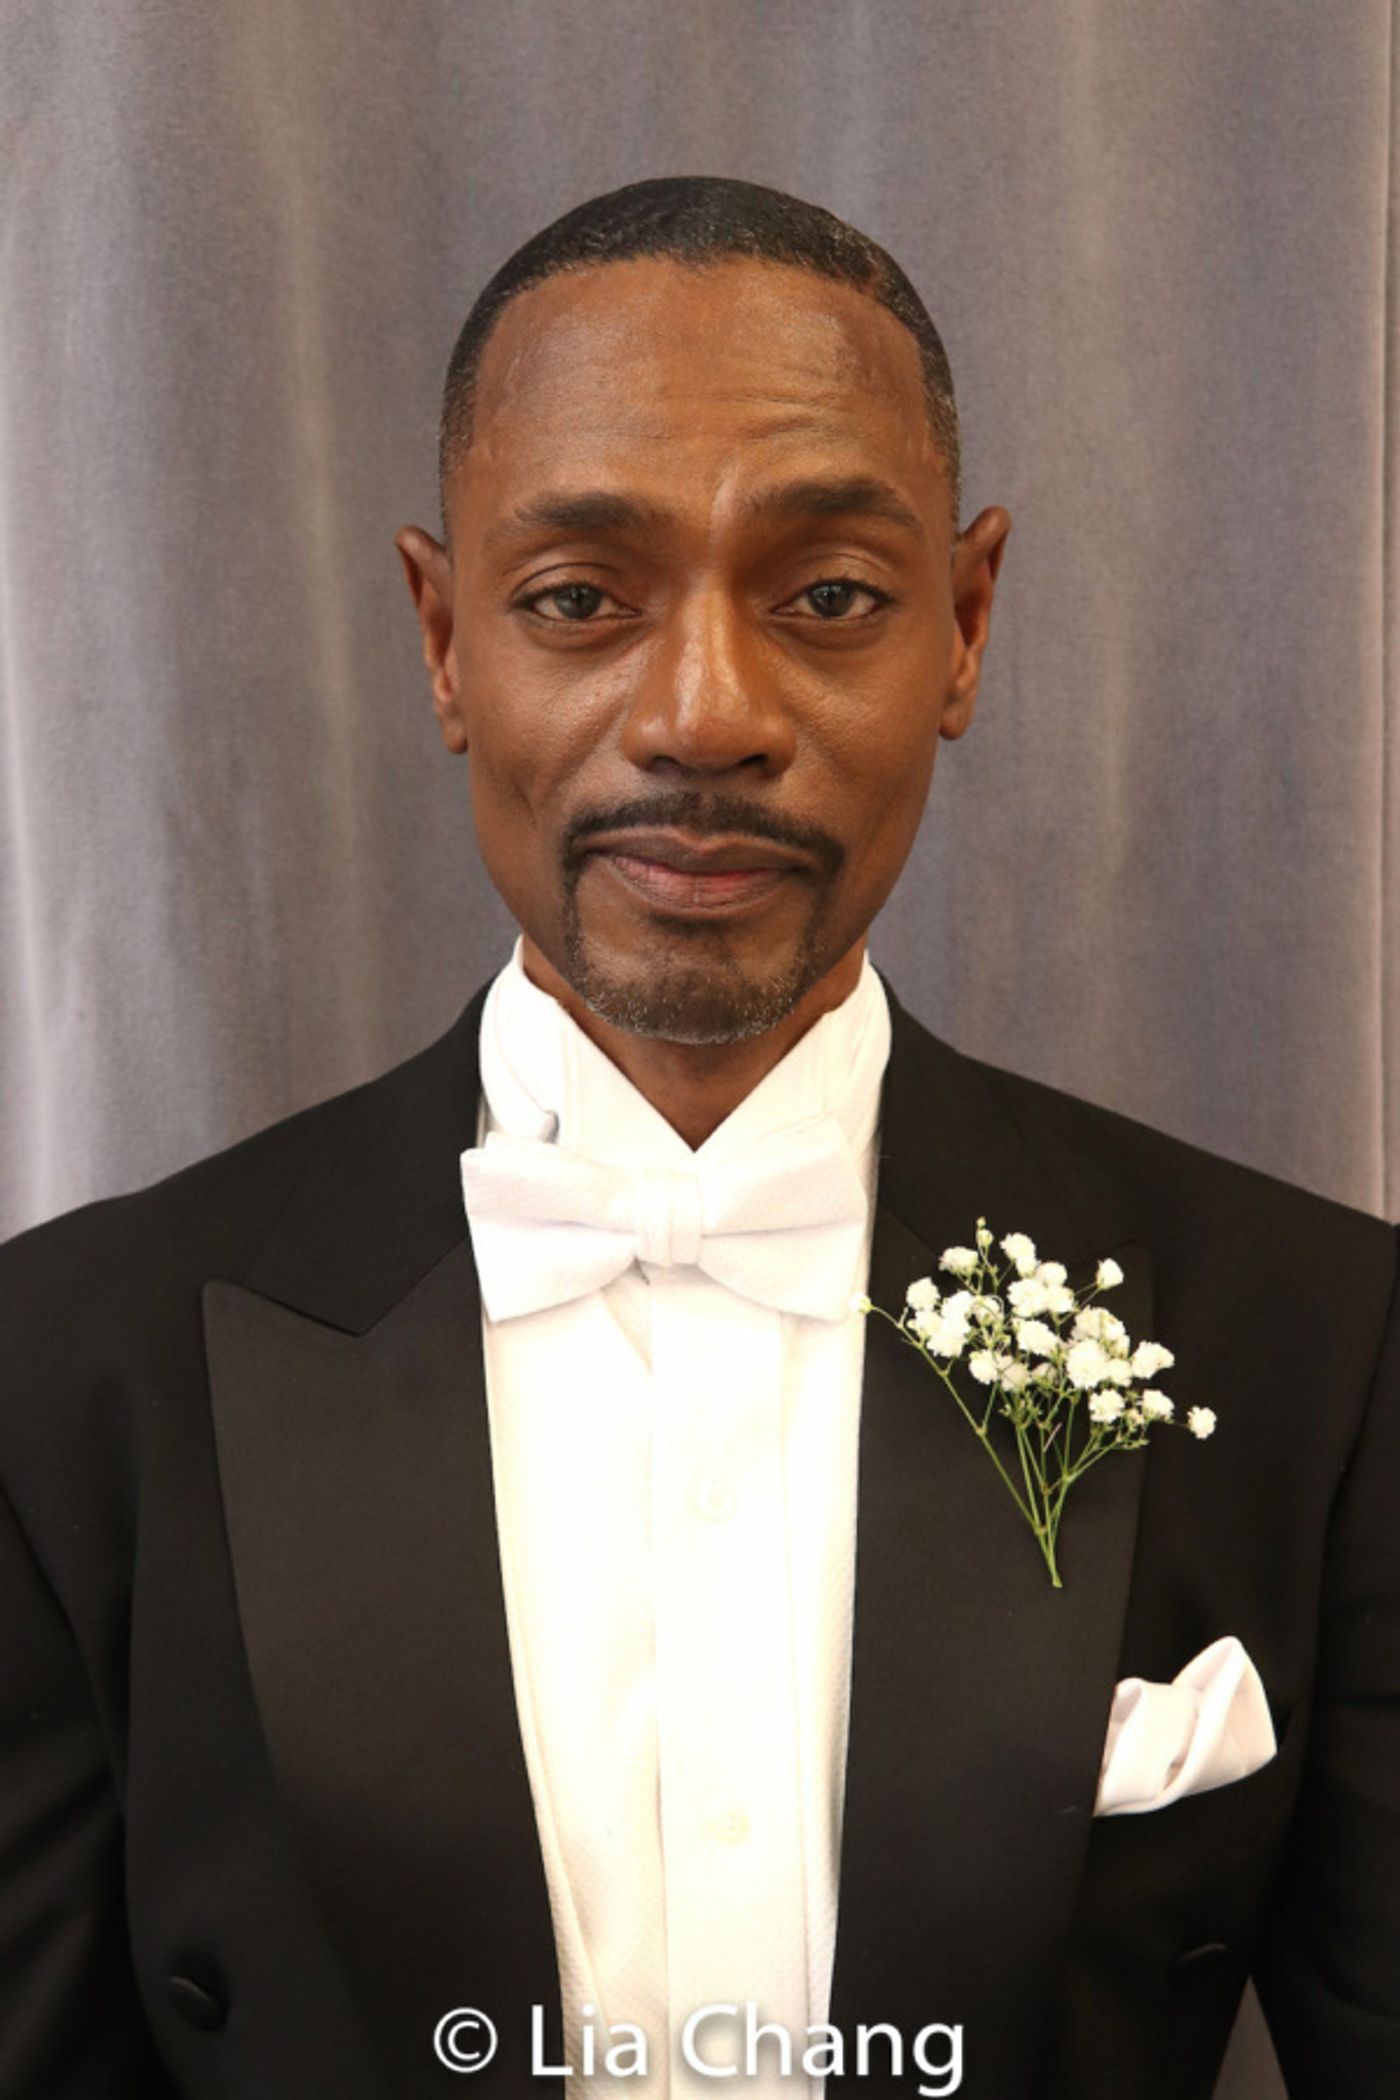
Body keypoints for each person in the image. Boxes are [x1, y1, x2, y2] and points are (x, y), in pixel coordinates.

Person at [0, 175, 1395, 2100]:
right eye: (579, 599)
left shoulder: (1319, 1343)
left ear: (966, 627)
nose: (706, 715)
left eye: (829, 598)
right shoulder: (70, 1369)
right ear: (442, 639)